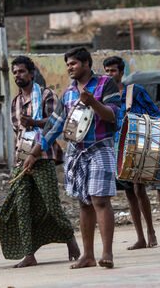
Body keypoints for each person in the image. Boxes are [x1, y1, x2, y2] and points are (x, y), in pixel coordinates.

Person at [24, 47, 120, 269]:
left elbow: (114, 116)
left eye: (74, 64)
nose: (70, 68)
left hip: (100, 148)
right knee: (84, 203)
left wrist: (93, 103)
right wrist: (33, 155)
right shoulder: (68, 93)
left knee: (100, 200)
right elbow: (53, 127)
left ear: (86, 63)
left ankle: (107, 253)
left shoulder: (106, 84)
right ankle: (88, 256)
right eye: (67, 65)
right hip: (76, 152)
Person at [0, 56, 80, 268]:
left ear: (32, 73)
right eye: (15, 72)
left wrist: (34, 122)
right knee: (21, 206)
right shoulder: (15, 102)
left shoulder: (46, 95)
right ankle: (29, 254)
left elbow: (57, 123)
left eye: (22, 72)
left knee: (51, 204)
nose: (18, 76)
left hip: (43, 157)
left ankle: (69, 237)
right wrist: (18, 161)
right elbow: (18, 134)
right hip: (22, 160)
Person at [103, 56, 160, 249]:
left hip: (136, 146)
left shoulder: (134, 91)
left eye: (113, 71)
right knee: (128, 192)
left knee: (139, 189)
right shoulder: (105, 96)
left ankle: (151, 231)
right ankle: (140, 237)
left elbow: (156, 114)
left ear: (121, 72)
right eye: (107, 71)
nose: (110, 74)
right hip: (115, 149)